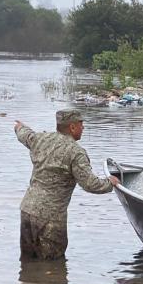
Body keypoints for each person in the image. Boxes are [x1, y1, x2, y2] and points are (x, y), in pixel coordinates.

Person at [14, 109, 119, 260]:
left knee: (28, 262)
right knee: (53, 266)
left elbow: (25, 135)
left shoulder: (41, 139)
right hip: (50, 219)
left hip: (27, 212)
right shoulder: (76, 152)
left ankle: (29, 283)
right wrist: (110, 183)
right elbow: (90, 184)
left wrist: (19, 126)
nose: (83, 128)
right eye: (81, 124)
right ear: (72, 127)